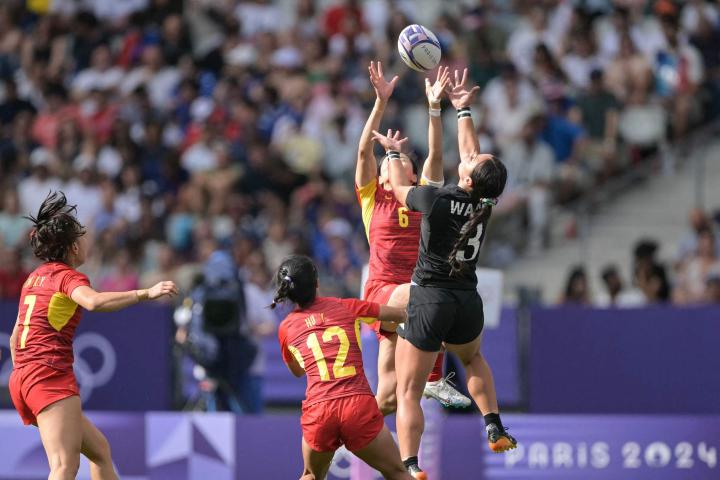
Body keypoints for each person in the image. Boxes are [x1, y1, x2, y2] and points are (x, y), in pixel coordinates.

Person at [378, 69, 516, 479]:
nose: (470, 155)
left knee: (408, 392)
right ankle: (493, 423)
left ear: (468, 176)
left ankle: (411, 465)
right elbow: (473, 156)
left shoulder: (435, 199)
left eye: (472, 161)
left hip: (430, 300)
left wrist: (392, 154)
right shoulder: (486, 201)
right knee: (473, 359)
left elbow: (398, 187)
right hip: (467, 301)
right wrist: (463, 110)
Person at [7, 191, 178, 480]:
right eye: (83, 237)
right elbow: (94, 302)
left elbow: (14, 340)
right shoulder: (67, 277)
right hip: (47, 376)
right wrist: (145, 293)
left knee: (99, 450)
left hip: (23, 378)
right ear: (74, 246)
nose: (87, 242)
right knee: (64, 466)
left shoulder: (33, 278)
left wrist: (26, 375)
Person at [355, 60, 469, 414]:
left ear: (411, 175)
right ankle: (434, 377)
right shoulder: (372, 197)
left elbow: (437, 154)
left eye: (402, 159)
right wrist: (380, 101)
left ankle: (352, 436)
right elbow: (364, 151)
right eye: (391, 159)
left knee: (388, 398)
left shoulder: (421, 196)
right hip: (385, 293)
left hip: (412, 305)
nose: (395, 159)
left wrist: (434, 107)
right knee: (433, 295)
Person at [274, 255, 412, 480]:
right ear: (317, 283)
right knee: (397, 472)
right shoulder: (347, 306)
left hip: (319, 411)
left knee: (310, 475)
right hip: (357, 406)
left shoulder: (285, 328)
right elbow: (401, 315)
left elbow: (298, 371)